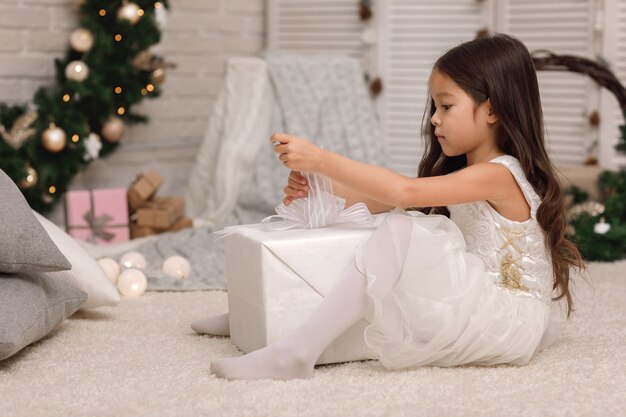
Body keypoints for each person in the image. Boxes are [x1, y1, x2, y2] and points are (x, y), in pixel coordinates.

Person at [194, 33, 585, 380]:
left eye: (446, 106)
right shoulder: (470, 172)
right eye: (435, 106)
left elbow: (405, 194)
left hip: (507, 318)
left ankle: (296, 352)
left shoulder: (500, 174)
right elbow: (379, 200)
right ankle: (263, 315)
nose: (434, 119)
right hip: (478, 297)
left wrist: (321, 160)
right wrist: (319, 188)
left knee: (406, 228)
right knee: (386, 225)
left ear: (492, 110)